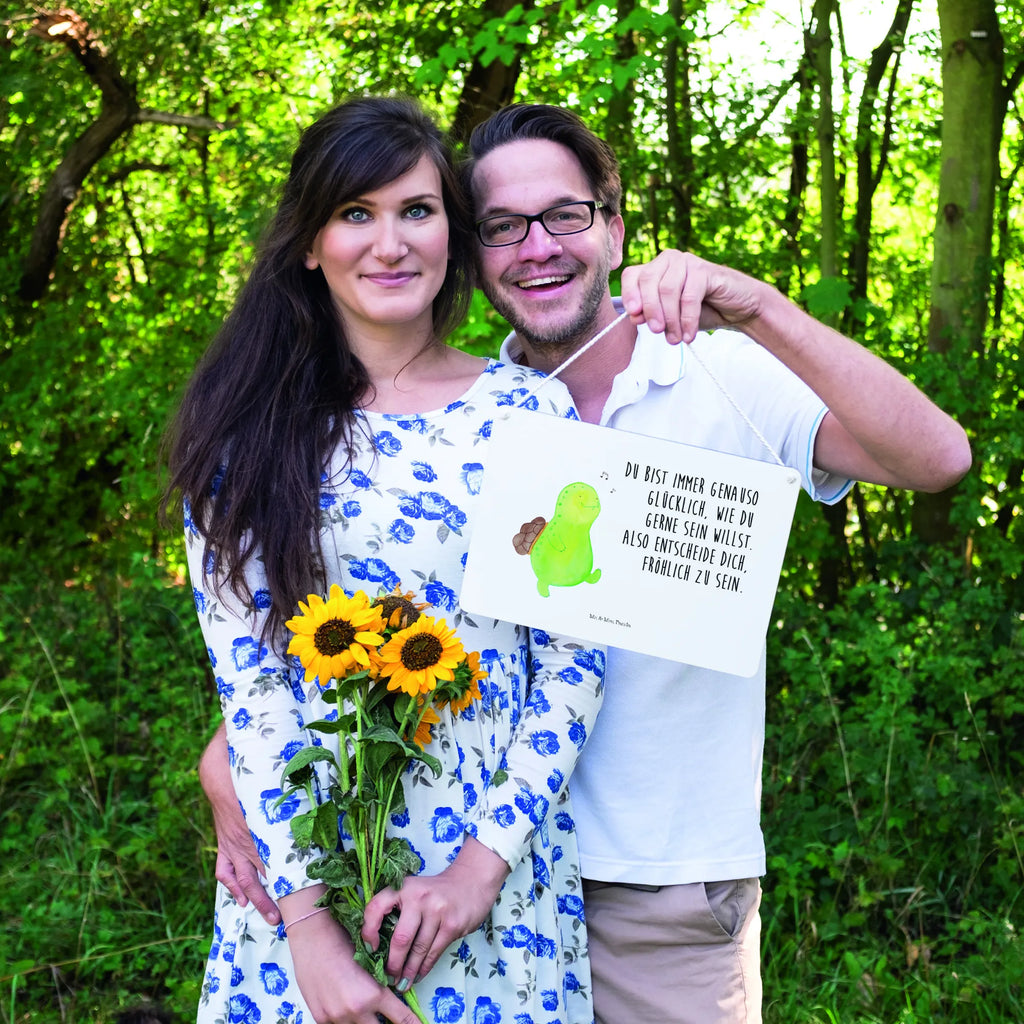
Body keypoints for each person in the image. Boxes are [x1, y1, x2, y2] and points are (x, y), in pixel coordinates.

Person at [201, 102, 972, 1024]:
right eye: (502, 227)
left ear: (612, 226)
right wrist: (235, 769)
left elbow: (938, 461)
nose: (537, 247)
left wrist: (759, 306)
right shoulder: (460, 416)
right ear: (475, 251)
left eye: (564, 215)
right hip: (421, 875)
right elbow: (333, 632)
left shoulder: (713, 373)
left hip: (652, 888)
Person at [165, 96, 607, 1024]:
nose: (390, 242)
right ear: (309, 244)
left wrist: (478, 872)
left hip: (492, 889)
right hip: (303, 887)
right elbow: (252, 691)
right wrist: (311, 935)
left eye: (417, 210)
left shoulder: (530, 414)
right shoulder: (246, 437)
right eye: (355, 214)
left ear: (452, 229)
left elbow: (575, 659)